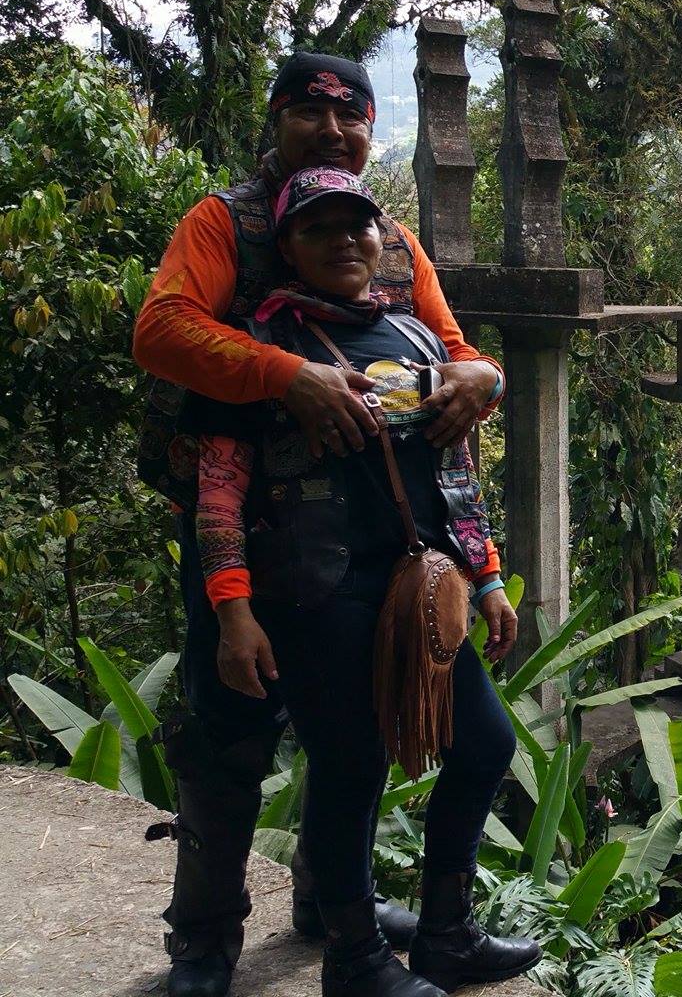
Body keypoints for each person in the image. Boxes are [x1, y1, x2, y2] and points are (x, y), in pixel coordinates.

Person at [131, 51, 503, 997]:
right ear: (277, 121)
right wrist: (286, 373)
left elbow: (449, 358)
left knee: (355, 740)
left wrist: (483, 378)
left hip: (377, 543)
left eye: (352, 120)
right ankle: (205, 938)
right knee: (234, 730)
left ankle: (327, 906)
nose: (333, 131)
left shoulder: (394, 243)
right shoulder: (228, 223)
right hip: (244, 525)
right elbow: (162, 330)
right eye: (311, 115)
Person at [188, 167, 537, 997]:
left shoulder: (417, 338)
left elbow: (454, 470)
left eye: (360, 225)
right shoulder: (259, 352)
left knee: (485, 744)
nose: (344, 241)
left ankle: (448, 932)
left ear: (384, 241)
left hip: (420, 590)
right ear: (286, 247)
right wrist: (234, 612)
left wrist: (486, 575)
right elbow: (219, 489)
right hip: (315, 592)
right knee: (352, 766)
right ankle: (353, 958)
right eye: (318, 229)